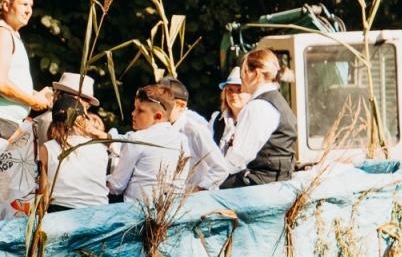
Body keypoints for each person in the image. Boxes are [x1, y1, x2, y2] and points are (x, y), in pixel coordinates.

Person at [194, 48, 297, 190]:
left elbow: (238, 157)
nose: (241, 78)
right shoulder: (277, 100)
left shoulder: (258, 107)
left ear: (257, 74)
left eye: (244, 71)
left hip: (261, 184)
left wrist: (205, 186)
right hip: (277, 180)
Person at [0, 0, 54, 139]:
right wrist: (34, 101)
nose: (28, 10)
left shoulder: (11, 35)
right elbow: (0, 83)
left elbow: (11, 83)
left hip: (6, 123)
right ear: (6, 5)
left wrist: (37, 95)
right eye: (24, 4)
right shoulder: (1, 33)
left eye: (30, 5)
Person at [107, 84, 186, 205]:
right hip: (171, 212)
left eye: (140, 110)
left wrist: (99, 179)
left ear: (158, 116)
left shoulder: (136, 139)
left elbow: (117, 186)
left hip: (135, 213)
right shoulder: (182, 140)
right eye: (134, 108)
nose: (133, 114)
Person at [42, 87, 110, 212]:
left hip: (62, 212)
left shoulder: (48, 148)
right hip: (99, 213)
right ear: (84, 119)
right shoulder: (100, 148)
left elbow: (43, 194)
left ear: (54, 123)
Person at [153, 76, 220, 191]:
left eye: (164, 103)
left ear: (181, 105)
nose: (158, 108)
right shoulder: (159, 126)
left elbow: (220, 168)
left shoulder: (194, 129)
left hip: (198, 200)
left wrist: (196, 190)